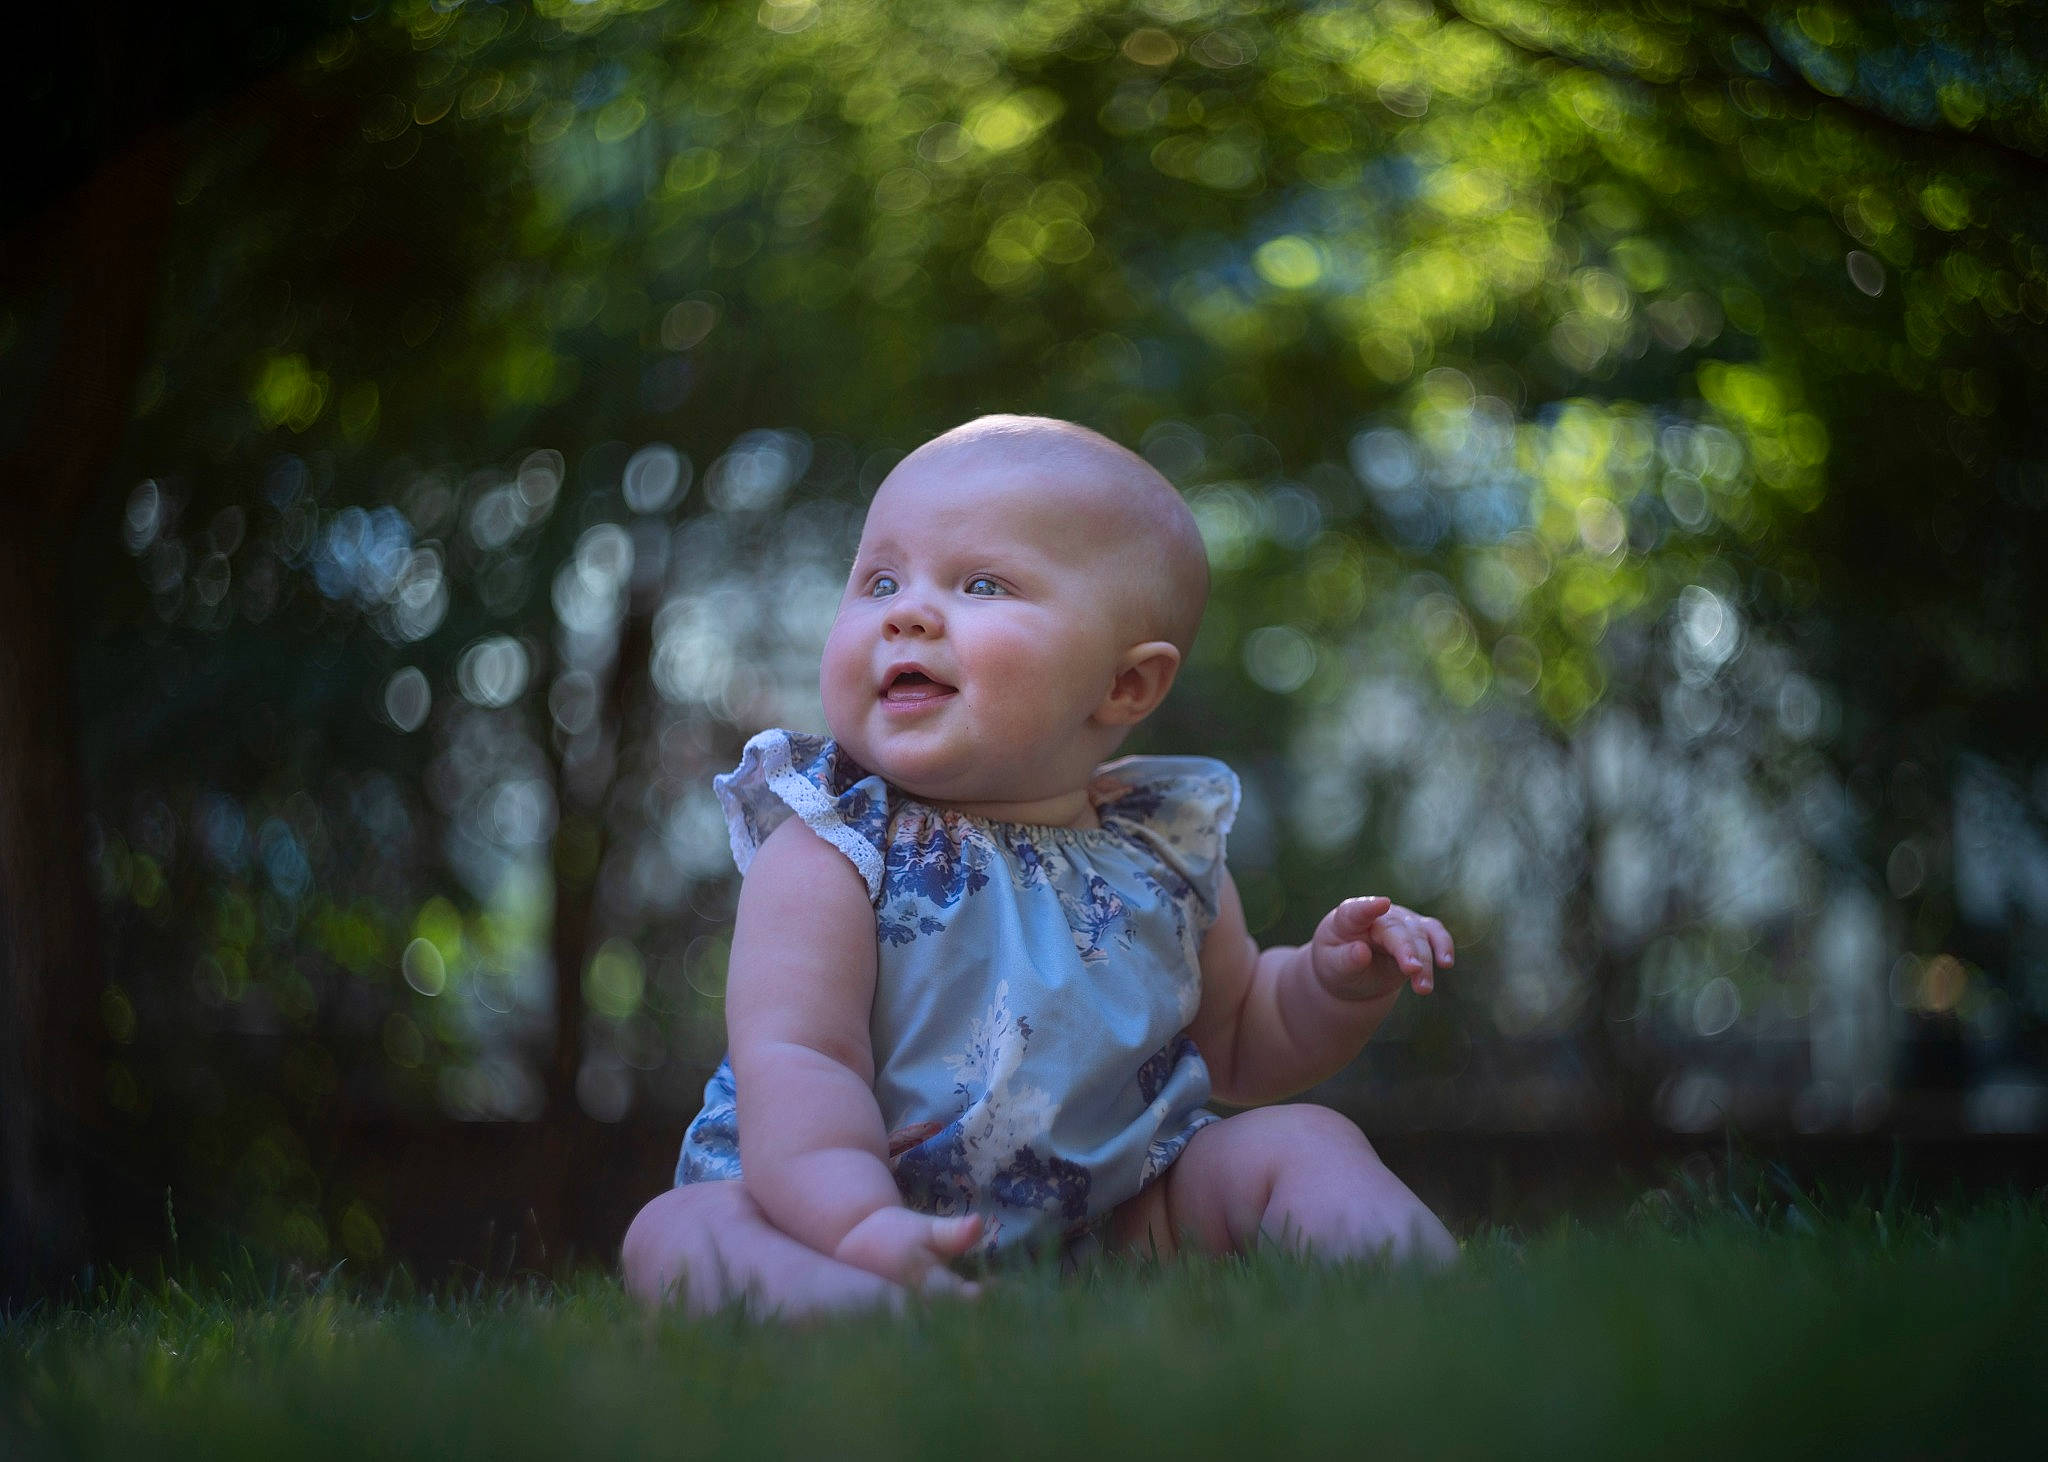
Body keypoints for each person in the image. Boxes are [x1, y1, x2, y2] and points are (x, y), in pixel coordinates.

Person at [622, 415, 1457, 1316]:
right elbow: (800, 1060)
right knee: (677, 1233)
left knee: (1302, 1139)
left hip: (1112, 1221)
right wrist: (863, 1227)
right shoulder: (831, 849)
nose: (905, 610)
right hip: (830, 1215)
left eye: (981, 584)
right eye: (879, 579)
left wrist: (1336, 987)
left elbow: (1241, 1040)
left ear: (1125, 686)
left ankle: (1434, 1299)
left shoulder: (1161, 855)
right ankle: (861, 1308)